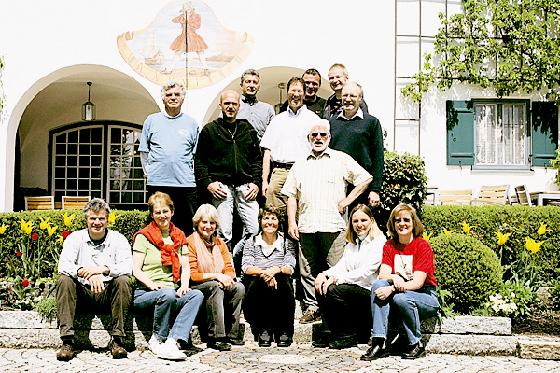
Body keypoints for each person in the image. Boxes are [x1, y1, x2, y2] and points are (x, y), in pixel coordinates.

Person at [281, 119, 372, 324]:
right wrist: (291, 223)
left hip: (334, 225)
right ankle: (313, 308)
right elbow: (291, 196)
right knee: (308, 271)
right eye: (314, 135)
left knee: (338, 269)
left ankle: (338, 310)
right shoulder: (300, 163)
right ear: (308, 139)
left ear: (329, 138)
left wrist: (348, 200)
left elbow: (365, 178)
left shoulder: (341, 159)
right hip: (307, 225)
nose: (318, 138)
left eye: (323, 135)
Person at [360, 203, 440, 361]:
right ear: (393, 224)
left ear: (413, 222)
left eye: (406, 220)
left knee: (401, 297)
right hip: (401, 292)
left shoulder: (422, 246)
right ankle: (379, 343)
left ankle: (416, 344)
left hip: (425, 296)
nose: (402, 223)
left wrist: (392, 289)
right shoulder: (390, 245)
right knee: (377, 285)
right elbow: (383, 274)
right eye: (397, 220)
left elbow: (417, 283)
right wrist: (394, 278)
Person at [56, 198, 133, 361]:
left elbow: (127, 266)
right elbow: (63, 265)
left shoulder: (118, 239)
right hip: (82, 294)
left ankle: (118, 340)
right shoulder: (75, 238)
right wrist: (84, 272)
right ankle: (67, 341)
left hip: (108, 294)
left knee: (124, 280)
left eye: (101, 218)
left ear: (107, 219)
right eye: (93, 218)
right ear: (86, 219)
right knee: (64, 280)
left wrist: (102, 270)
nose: (97, 222)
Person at [132, 192, 204, 360]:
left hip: (171, 291)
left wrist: (185, 285)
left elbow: (186, 266)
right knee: (167, 293)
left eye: (165, 211)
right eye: (157, 212)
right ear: (152, 215)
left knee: (196, 295)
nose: (162, 216)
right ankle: (157, 339)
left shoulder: (179, 236)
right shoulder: (143, 237)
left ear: (172, 211)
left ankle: (172, 341)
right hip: (145, 292)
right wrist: (151, 284)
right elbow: (136, 269)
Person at [195, 90, 262, 257]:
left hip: (245, 186)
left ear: (239, 106)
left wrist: (256, 183)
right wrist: (208, 183)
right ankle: (226, 268)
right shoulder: (210, 130)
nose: (230, 107)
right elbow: (200, 161)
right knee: (224, 234)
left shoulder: (247, 128)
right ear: (221, 105)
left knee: (254, 230)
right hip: (221, 187)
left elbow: (257, 159)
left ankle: (236, 260)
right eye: (227, 103)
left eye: (234, 104)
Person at [314, 204, 386, 349]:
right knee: (321, 285)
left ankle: (348, 335)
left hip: (368, 292)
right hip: (353, 289)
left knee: (334, 289)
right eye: (355, 221)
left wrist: (337, 279)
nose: (359, 225)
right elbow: (342, 266)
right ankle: (331, 332)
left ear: (371, 221)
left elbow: (366, 271)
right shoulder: (352, 244)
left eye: (363, 220)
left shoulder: (379, 242)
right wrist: (325, 275)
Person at [139, 81, 199, 233]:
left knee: (185, 226)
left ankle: (183, 256)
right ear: (163, 98)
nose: (173, 98)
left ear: (183, 98)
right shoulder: (151, 121)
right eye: (169, 95)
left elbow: (196, 155)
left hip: (185, 184)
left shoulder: (191, 123)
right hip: (158, 183)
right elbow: (144, 152)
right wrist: (150, 174)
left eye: (177, 94)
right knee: (157, 226)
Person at [187, 204, 245, 351]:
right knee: (214, 287)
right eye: (204, 222)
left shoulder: (220, 243)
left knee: (239, 287)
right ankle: (216, 337)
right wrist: (217, 276)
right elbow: (193, 275)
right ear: (197, 223)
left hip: (219, 284)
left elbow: (230, 269)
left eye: (212, 223)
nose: (208, 226)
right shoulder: (190, 242)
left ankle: (232, 334)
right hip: (198, 285)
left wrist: (227, 278)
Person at [260, 77, 320, 212]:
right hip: (280, 173)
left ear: (304, 94)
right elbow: (267, 152)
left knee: (302, 214)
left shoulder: (313, 120)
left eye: (299, 91)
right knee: (274, 214)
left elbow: (320, 150)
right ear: (287, 92)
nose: (296, 94)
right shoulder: (277, 120)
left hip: (304, 172)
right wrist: (265, 181)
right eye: (293, 90)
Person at [241, 206, 297, 347]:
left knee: (283, 279)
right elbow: (246, 266)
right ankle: (263, 330)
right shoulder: (251, 242)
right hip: (257, 283)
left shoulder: (286, 243)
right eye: (266, 218)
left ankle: (284, 331)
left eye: (274, 218)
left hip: (280, 283)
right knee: (260, 282)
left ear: (279, 222)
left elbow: (290, 267)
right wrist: (264, 273)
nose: (270, 222)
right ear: (260, 221)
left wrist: (275, 270)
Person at [329, 81, 384, 210]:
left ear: (360, 99)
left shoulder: (371, 123)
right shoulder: (332, 122)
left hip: (362, 187)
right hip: (336, 184)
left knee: (359, 226)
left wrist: (375, 190)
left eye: (353, 96)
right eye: (345, 95)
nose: (348, 99)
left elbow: (378, 157)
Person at [166, 2, 209, 74]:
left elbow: (198, 26)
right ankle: (170, 69)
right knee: (178, 53)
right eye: (185, 10)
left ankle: (206, 69)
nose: (187, 11)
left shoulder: (196, 16)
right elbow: (173, 20)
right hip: (183, 37)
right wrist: (182, 17)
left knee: (200, 51)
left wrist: (187, 20)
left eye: (188, 9)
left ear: (191, 9)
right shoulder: (182, 16)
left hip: (193, 36)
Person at [236, 69, 275, 139]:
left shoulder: (268, 109)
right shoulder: (233, 107)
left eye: (255, 82)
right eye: (248, 82)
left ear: (258, 87)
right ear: (241, 85)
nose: (251, 85)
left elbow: (274, 134)